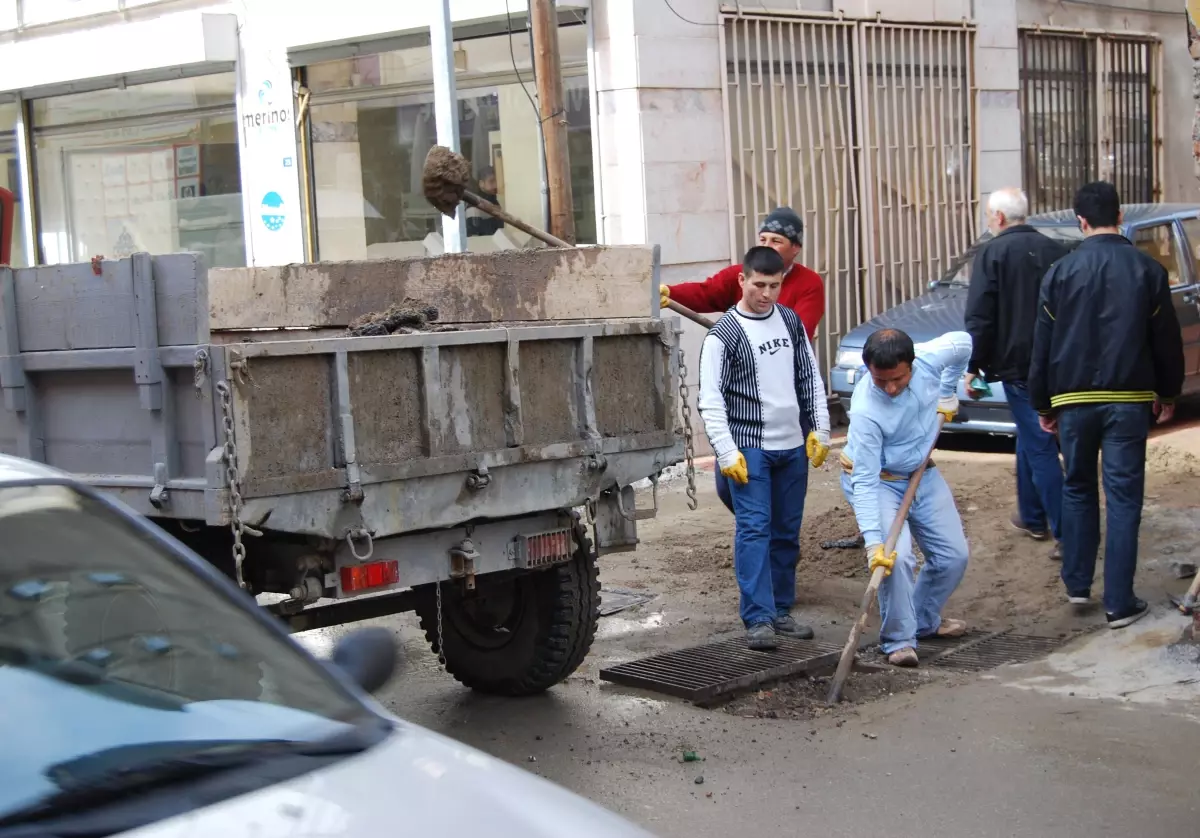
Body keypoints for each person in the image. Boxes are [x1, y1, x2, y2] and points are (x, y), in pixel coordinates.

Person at [1028, 181, 1184, 629]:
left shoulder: (1059, 273)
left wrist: (1043, 403)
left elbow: (1043, 345)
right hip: (1129, 400)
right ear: (1120, 217)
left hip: (1074, 401)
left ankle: (1078, 585)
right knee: (1123, 497)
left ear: (1080, 222)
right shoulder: (1147, 270)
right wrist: (1168, 392)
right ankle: (1120, 603)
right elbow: (1166, 341)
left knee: (1077, 487)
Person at [697, 245, 832, 650]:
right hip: (749, 449)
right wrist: (725, 450)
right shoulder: (723, 335)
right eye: (759, 285)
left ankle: (781, 611)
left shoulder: (790, 322)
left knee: (786, 531)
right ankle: (757, 617)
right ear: (742, 280)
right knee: (754, 530)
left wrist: (820, 430)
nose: (767, 294)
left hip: (792, 446)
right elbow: (710, 398)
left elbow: (810, 377)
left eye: (774, 286)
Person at [840, 328, 972, 667]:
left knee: (952, 556)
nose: (890, 387)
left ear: (912, 364)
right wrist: (873, 543)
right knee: (896, 559)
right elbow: (865, 482)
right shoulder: (866, 410)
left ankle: (924, 620)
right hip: (880, 481)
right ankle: (899, 640)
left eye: (897, 379)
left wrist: (947, 392)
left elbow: (964, 343)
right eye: (880, 380)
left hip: (922, 473)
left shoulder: (931, 358)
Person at [964, 187, 1069, 559]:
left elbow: (980, 314)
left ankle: (1064, 530)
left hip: (1017, 366)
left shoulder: (992, 252)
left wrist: (972, 365)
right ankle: (1033, 515)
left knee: (1040, 445)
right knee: (1029, 437)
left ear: (999, 218)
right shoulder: (1055, 250)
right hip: (1054, 361)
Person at [660, 207, 824, 343]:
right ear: (742, 280)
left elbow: (801, 332)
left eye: (776, 241)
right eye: (763, 239)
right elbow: (706, 292)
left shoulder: (809, 283)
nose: (767, 246)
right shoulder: (739, 273)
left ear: (795, 247)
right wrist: (670, 292)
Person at [465, 166, 504, 237]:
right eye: (491, 181)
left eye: (497, 181)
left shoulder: (496, 203)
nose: (495, 185)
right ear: (481, 183)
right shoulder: (474, 207)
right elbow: (474, 240)